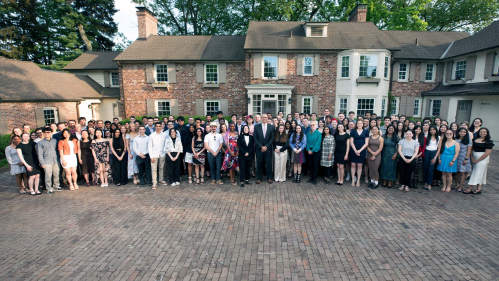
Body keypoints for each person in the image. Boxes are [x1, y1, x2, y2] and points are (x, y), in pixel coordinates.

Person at [466, 128, 494, 195]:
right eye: (481, 132)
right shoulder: (475, 140)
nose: (482, 133)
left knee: (476, 172)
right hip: (474, 157)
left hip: (482, 159)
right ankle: (479, 189)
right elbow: (472, 149)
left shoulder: (489, 142)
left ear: (487, 133)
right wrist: (472, 158)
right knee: (480, 173)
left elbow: (487, 153)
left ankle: (470, 188)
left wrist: (478, 160)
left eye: (484, 132)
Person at [254, 113, 275, 184]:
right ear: (261, 118)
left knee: (269, 164)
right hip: (259, 149)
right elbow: (255, 138)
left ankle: (269, 177)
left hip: (268, 148)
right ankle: (259, 178)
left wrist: (266, 146)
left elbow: (272, 138)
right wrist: (261, 146)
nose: (264, 118)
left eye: (265, 117)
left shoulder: (271, 127)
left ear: (267, 118)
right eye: (263, 117)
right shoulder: (256, 127)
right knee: (259, 163)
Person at [349, 120, 369, 187]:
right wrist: (355, 150)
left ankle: (358, 180)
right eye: (358, 123)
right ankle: (352, 180)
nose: (359, 124)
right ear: (356, 124)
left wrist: (359, 151)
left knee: (360, 166)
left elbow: (366, 143)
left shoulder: (366, 131)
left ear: (363, 124)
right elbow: (351, 142)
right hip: (353, 150)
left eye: (361, 123)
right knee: (353, 165)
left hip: (362, 151)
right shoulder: (353, 131)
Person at [147, 122, 167, 189]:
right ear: (154, 127)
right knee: (154, 169)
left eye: (159, 126)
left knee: (161, 168)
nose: (158, 127)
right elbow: (149, 146)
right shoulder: (152, 135)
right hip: (154, 154)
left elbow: (165, 144)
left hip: (162, 154)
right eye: (157, 126)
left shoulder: (164, 135)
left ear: (161, 127)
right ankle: (154, 182)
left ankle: (161, 180)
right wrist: (151, 156)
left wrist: (165, 153)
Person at [422, 126, 440, 191]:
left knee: (431, 169)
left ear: (436, 130)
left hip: (434, 153)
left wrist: (435, 158)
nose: (432, 131)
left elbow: (439, 149)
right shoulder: (426, 137)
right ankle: (425, 183)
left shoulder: (439, 138)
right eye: (431, 130)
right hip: (426, 152)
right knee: (425, 169)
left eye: (434, 130)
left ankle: (429, 184)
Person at [455, 128, 472, 192]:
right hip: (457, 157)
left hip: (463, 158)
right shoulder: (456, 139)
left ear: (466, 133)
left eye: (464, 132)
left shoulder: (468, 140)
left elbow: (469, 150)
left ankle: (460, 187)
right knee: (457, 172)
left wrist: (466, 159)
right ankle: (456, 184)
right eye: (461, 132)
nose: (462, 133)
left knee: (462, 173)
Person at [306, 121, 322, 185]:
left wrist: (312, 150)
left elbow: (318, 143)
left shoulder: (318, 133)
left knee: (315, 165)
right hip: (309, 151)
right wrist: (308, 149)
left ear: (316, 125)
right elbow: (306, 142)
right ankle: (311, 177)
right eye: (311, 125)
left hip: (316, 151)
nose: (312, 126)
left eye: (313, 125)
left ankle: (315, 178)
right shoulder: (308, 133)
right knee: (310, 164)